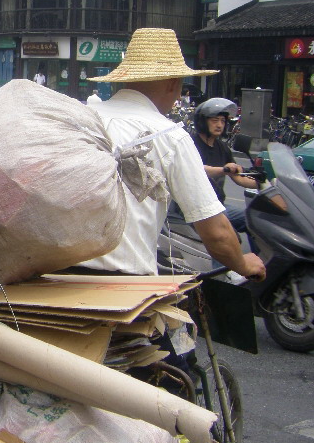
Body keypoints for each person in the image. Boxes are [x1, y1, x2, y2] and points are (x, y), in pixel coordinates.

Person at [75, 28, 265, 281]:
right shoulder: (170, 135)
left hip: (53, 271)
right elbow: (216, 232)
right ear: (174, 84)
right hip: (123, 281)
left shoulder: (83, 118)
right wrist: (244, 263)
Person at [192, 98, 259, 253]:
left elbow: (238, 177)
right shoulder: (191, 144)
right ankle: (218, 275)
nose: (219, 125)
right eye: (215, 120)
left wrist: (266, 183)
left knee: (254, 219)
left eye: (222, 121)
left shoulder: (222, 147)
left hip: (218, 205)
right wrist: (223, 169)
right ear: (202, 122)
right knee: (226, 241)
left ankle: (263, 264)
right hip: (198, 208)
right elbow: (197, 169)